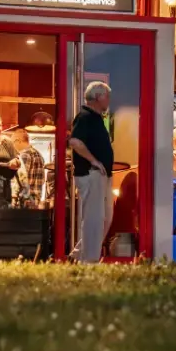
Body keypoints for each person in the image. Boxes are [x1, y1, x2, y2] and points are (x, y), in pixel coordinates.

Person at [68, 81, 114, 263]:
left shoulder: (95, 117)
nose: (109, 100)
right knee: (95, 218)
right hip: (91, 173)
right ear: (99, 97)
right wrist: (94, 161)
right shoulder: (85, 117)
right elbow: (75, 142)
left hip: (100, 174)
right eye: (107, 96)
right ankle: (89, 260)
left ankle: (79, 254)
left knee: (104, 218)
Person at [9, 127, 46, 208]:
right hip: (34, 202)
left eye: (12, 143)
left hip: (24, 203)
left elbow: (21, 181)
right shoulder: (38, 154)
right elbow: (42, 180)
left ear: (18, 141)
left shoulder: (24, 155)